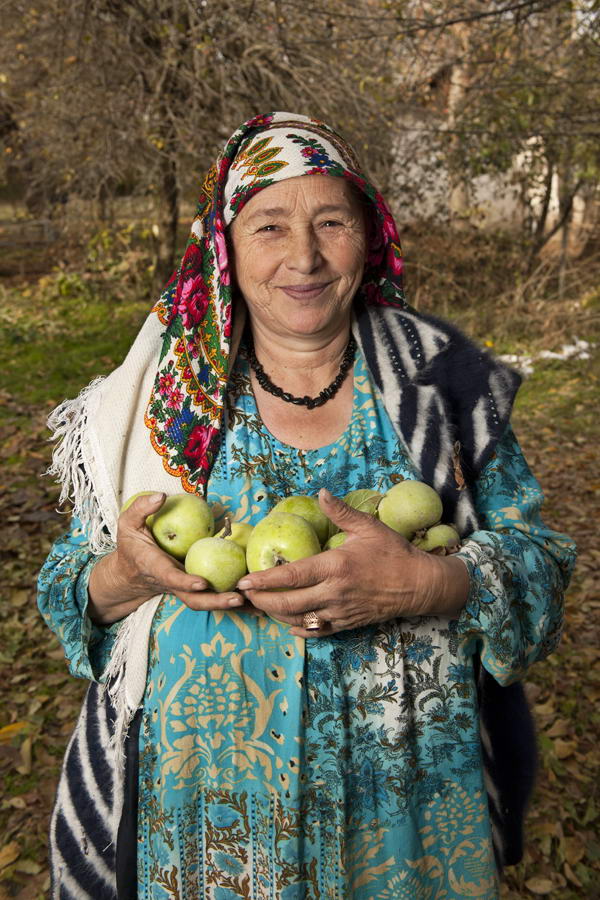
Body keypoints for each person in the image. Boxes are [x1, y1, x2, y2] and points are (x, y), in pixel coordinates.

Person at [38, 112, 575, 900]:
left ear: (369, 234)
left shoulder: (441, 385)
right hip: (209, 828)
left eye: (331, 221)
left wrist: (430, 585)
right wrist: (128, 571)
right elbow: (65, 595)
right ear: (226, 243)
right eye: (269, 225)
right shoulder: (161, 399)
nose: (304, 257)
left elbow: (544, 570)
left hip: (409, 822)